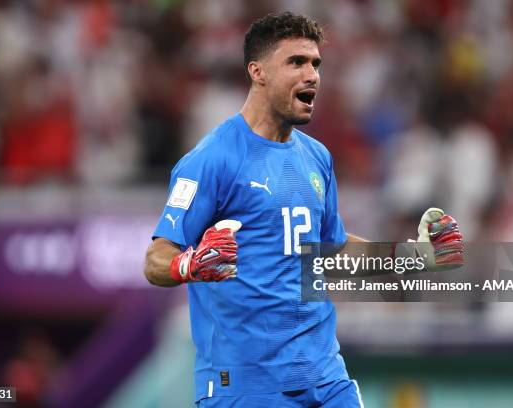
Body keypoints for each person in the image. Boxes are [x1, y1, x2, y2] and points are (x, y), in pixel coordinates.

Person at [144, 12, 463, 407]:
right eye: (296, 62)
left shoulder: (317, 158)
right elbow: (157, 258)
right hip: (246, 385)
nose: (312, 75)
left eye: (316, 64)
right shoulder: (212, 159)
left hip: (324, 377)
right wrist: (188, 265)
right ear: (257, 72)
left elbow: (334, 251)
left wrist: (414, 258)